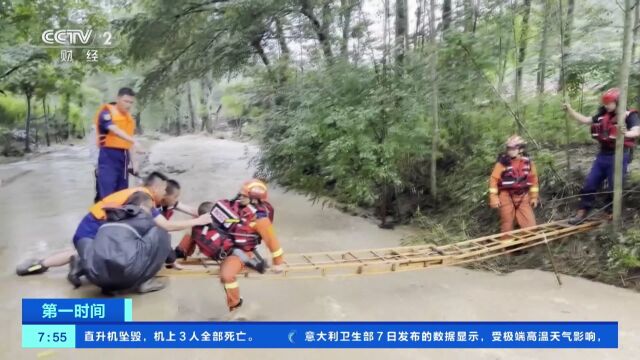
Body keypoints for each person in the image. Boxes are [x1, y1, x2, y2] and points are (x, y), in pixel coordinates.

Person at [16, 172, 210, 277]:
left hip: (93, 224)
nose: (166, 193)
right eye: (164, 189)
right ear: (157, 188)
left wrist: (212, 213)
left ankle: (40, 264)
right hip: (93, 227)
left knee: (77, 251)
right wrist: (198, 222)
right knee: (80, 253)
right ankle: (43, 266)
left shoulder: (147, 195)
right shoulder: (143, 198)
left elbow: (188, 209)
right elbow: (164, 227)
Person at [174, 179, 285, 314]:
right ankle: (180, 252)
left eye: (244, 196)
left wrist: (278, 263)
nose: (240, 197)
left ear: (255, 199)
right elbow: (204, 212)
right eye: (241, 194)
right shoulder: (234, 206)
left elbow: (272, 241)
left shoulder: (260, 219)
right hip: (222, 243)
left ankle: (235, 305)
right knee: (196, 226)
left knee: (226, 276)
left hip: (239, 253)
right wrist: (177, 205)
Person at [563, 88, 640, 224]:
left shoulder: (629, 115)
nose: (606, 106)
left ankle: (609, 212)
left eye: (609, 103)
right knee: (590, 183)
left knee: (613, 186)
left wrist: (626, 133)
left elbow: (636, 131)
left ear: (618, 102)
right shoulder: (602, 114)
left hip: (620, 155)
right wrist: (570, 110)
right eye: (605, 103)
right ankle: (583, 210)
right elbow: (586, 120)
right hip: (603, 155)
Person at [76, 191, 176, 294]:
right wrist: (171, 259)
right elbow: (160, 238)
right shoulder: (143, 217)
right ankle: (144, 282)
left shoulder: (110, 217)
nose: (152, 212)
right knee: (162, 232)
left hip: (95, 276)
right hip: (126, 276)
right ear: (142, 206)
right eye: (151, 209)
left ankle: (79, 265)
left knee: (90, 241)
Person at [94, 87, 141, 201]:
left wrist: (135, 163)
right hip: (108, 156)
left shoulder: (129, 119)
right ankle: (102, 216)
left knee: (122, 193)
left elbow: (129, 142)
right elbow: (114, 129)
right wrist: (133, 140)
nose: (128, 105)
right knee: (107, 191)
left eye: (131, 102)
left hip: (124, 158)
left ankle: (119, 216)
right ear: (118, 99)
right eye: (126, 101)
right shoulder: (106, 113)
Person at [488, 135, 540, 235]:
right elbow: (493, 180)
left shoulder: (528, 163)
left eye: (513, 148)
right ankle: (507, 248)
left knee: (530, 225)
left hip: (523, 196)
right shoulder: (502, 164)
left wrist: (534, 197)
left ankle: (528, 246)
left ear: (521, 149)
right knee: (507, 223)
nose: (510, 151)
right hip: (506, 196)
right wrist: (494, 198)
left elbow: (534, 180)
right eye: (508, 148)